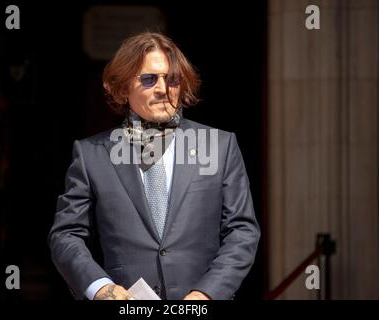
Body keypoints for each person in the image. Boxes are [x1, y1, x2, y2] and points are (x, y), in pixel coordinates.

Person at [48, 32, 260, 300]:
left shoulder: (220, 145)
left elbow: (242, 231)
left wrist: (206, 294)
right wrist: (100, 287)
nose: (163, 88)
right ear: (124, 88)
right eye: (149, 79)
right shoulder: (91, 154)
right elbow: (66, 235)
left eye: (172, 79)